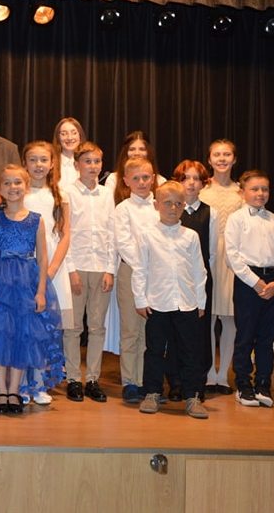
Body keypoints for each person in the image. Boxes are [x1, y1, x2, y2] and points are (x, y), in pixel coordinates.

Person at [0, 165, 63, 414]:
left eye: (17, 182)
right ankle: (1, 390)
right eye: (7, 183)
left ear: (26, 187)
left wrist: (40, 291)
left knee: (22, 335)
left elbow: (42, 258)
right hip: (1, 286)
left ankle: (15, 390)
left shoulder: (36, 220)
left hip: (27, 284)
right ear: (0, 188)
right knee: (1, 335)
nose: (12, 187)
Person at [132, 182, 209, 419]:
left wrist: (201, 302)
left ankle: (192, 396)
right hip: (157, 303)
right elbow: (140, 269)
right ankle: (152, 392)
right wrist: (140, 299)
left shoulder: (191, 236)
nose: (173, 208)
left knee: (190, 351)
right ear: (156, 205)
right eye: (167, 203)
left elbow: (199, 271)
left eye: (178, 203)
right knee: (155, 350)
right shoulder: (147, 235)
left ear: (184, 206)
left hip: (186, 303)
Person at [225, 170, 274, 408]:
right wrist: (254, 282)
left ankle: (263, 383)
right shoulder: (236, 219)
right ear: (242, 192)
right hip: (248, 283)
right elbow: (232, 255)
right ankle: (243, 385)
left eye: (265, 189)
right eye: (255, 189)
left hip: (272, 283)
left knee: (266, 338)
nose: (260, 193)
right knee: (246, 336)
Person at [63, 142, 115, 403]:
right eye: (87, 161)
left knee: (97, 327)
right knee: (73, 328)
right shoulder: (68, 193)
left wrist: (110, 269)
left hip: (101, 267)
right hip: (77, 266)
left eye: (97, 162)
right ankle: (73, 378)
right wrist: (70, 269)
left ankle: (93, 379)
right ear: (77, 165)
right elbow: (65, 233)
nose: (93, 166)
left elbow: (112, 233)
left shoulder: (107, 194)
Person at [22, 141, 72, 405]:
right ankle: (21, 384)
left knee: (45, 328)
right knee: (24, 326)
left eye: (44, 160)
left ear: (52, 164)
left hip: (52, 265)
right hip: (23, 265)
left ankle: (40, 383)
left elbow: (65, 235)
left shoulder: (60, 195)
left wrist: (51, 269)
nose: (38, 165)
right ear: (25, 163)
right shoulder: (19, 191)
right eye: (33, 160)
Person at [113, 157, 160, 404]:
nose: (142, 182)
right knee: (131, 329)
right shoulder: (123, 209)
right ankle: (130, 381)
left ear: (153, 178)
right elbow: (124, 242)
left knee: (149, 331)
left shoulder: (159, 206)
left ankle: (146, 381)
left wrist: (156, 265)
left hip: (157, 274)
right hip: (131, 271)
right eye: (136, 178)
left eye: (146, 177)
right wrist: (143, 264)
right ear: (126, 181)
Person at [199, 139, 243, 396]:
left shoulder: (241, 193)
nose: (222, 159)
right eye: (217, 154)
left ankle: (223, 375)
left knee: (229, 318)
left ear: (234, 159)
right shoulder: (202, 190)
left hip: (232, 259)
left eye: (227, 154)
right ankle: (207, 374)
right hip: (207, 256)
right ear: (209, 159)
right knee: (207, 318)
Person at [172, 160, 217, 400]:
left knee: (199, 332)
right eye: (185, 178)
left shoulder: (210, 213)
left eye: (196, 178)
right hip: (173, 280)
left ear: (203, 183)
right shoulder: (171, 210)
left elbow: (212, 253)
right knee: (175, 331)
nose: (190, 183)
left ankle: (197, 382)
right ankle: (176, 382)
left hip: (199, 281)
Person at [105, 130, 167, 204]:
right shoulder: (113, 179)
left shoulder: (160, 181)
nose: (137, 153)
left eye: (142, 149)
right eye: (132, 149)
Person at [52, 117, 86, 190]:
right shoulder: (51, 163)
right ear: (58, 138)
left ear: (80, 135)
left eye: (74, 133)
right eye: (64, 134)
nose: (69, 138)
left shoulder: (87, 162)